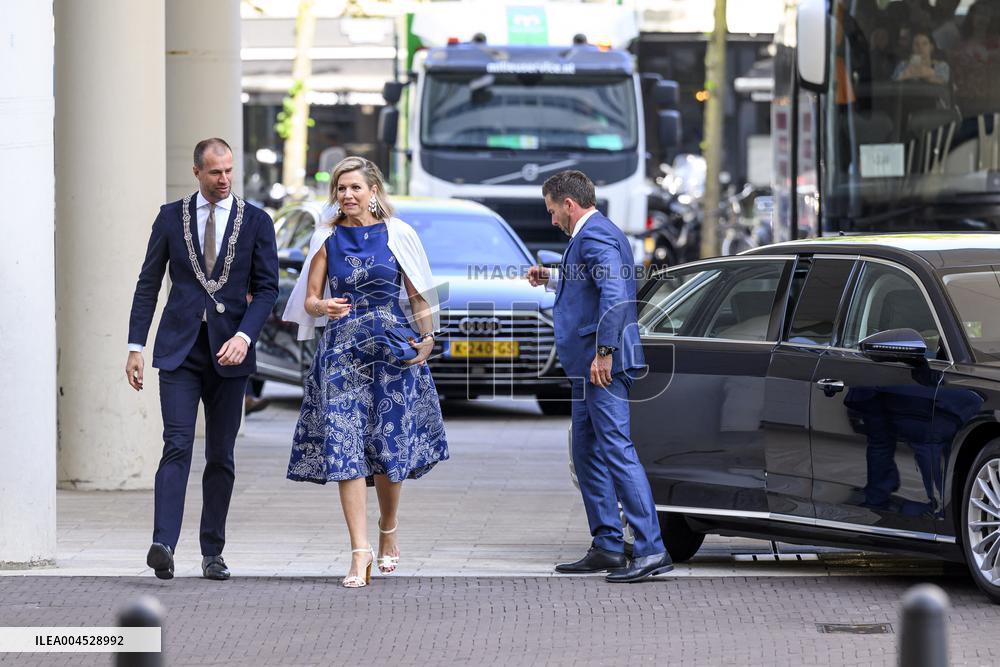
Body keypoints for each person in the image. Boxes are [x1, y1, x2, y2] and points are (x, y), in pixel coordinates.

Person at [282, 156, 448, 589]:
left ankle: (388, 528)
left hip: (391, 354)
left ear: (373, 191)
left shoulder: (399, 233)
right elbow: (310, 300)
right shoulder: (326, 237)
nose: (348, 195)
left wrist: (427, 340)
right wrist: (323, 307)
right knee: (344, 448)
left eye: (356, 187)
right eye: (341, 188)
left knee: (388, 451)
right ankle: (360, 552)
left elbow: (418, 295)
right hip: (341, 355)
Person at [126, 137, 279, 581]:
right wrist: (136, 346)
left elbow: (267, 288)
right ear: (197, 172)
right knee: (176, 445)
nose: (224, 179)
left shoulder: (256, 221)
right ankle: (163, 545)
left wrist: (246, 337)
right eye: (215, 172)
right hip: (179, 352)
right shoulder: (170, 217)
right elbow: (148, 283)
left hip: (231, 356)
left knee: (221, 455)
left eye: (229, 170)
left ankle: (213, 551)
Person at [526, 170, 671, 583]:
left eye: (553, 211)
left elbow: (616, 294)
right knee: (588, 454)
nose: (552, 220)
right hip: (586, 368)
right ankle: (607, 543)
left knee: (617, 451)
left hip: (600, 366)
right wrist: (551, 276)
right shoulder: (593, 235)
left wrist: (604, 352)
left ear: (569, 205)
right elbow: (593, 282)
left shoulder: (594, 236)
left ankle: (650, 549)